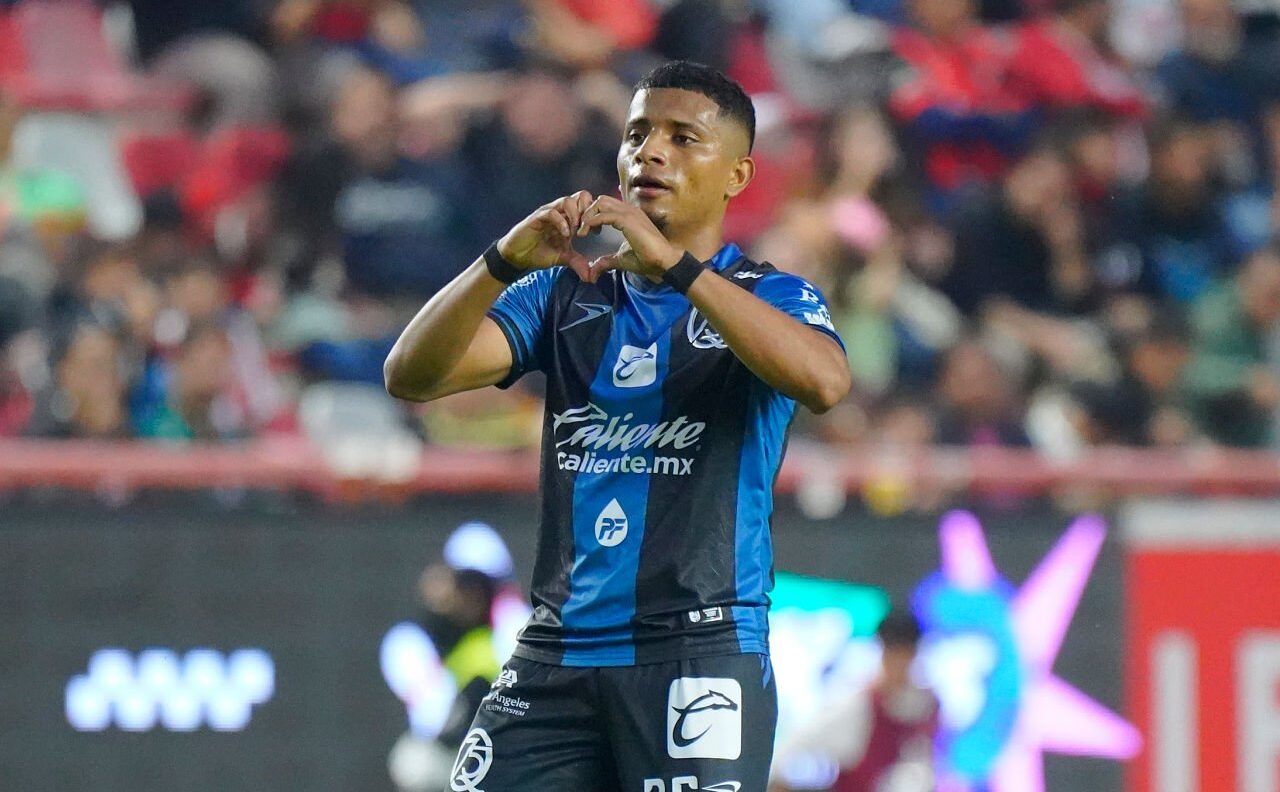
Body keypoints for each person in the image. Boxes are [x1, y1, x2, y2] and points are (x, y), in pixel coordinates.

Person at [384, 60, 851, 792]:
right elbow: (410, 375)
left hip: (698, 651)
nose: (650, 152)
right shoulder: (563, 295)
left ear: (737, 175)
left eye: (682, 137)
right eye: (637, 134)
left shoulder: (770, 297)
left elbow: (825, 382)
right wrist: (500, 263)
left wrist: (679, 269)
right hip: (555, 650)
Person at [769, 612, 938, 792]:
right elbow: (787, 752)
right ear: (883, 651)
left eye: (906, 655)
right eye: (894, 654)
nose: (899, 663)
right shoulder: (857, 707)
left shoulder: (926, 707)